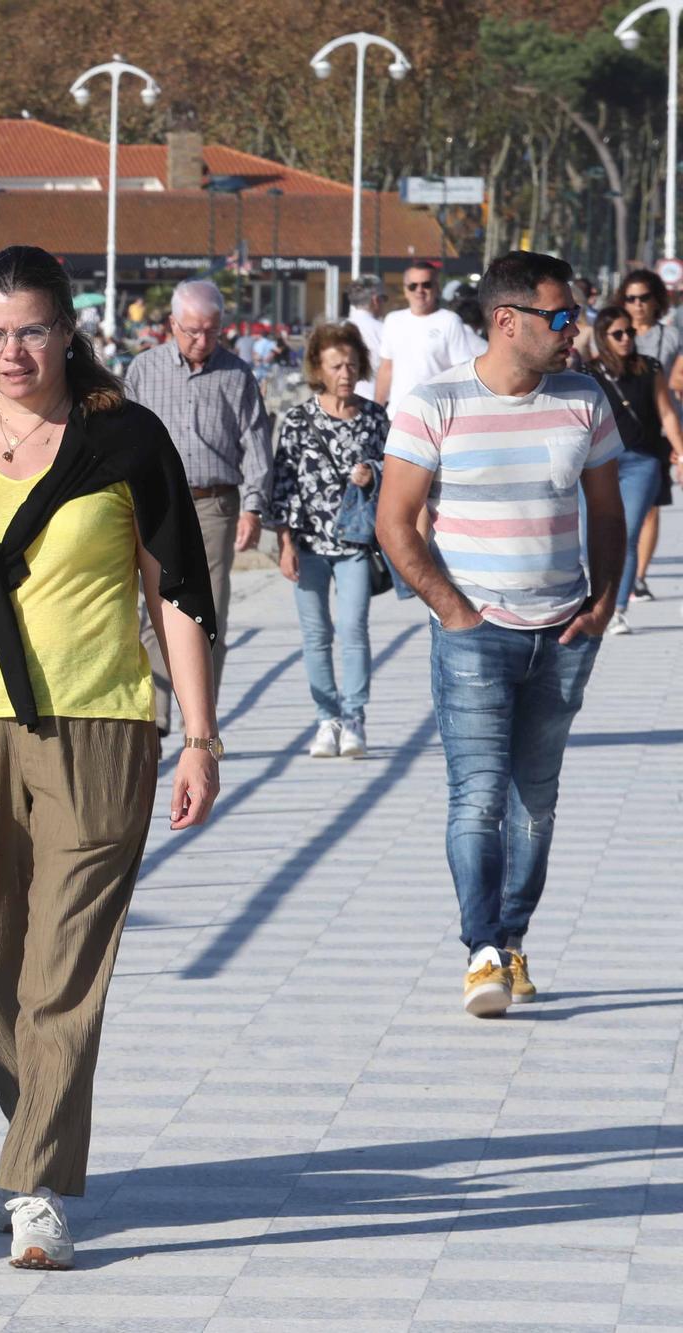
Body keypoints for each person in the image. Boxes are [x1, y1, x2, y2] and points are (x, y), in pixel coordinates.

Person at [0, 245, 221, 1271]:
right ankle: (39, 1134)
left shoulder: (125, 440)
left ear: (65, 329)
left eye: (28, 330)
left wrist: (198, 734)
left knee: (62, 973)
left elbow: (174, 594)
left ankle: (36, 1186)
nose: (10, 352)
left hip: (101, 728)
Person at [376, 250, 624, 1019]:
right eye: (560, 316)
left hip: (563, 632)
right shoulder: (432, 404)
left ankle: (511, 940)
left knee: (536, 803)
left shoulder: (585, 399)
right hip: (474, 632)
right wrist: (453, 609)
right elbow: (394, 522)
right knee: (477, 796)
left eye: (575, 314)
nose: (573, 328)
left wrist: (601, 604)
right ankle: (481, 949)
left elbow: (609, 514)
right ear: (506, 320)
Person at [123, 279, 270, 731]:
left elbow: (257, 444)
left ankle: (199, 719)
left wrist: (253, 507)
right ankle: (158, 715)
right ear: (172, 325)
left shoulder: (237, 374)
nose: (201, 340)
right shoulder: (143, 371)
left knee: (210, 613)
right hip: (155, 503)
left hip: (215, 506)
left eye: (211, 331)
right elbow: (123, 440)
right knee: (154, 609)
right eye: (191, 330)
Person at [267, 324, 388, 758]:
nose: (346, 373)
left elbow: (396, 473)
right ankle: (326, 718)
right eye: (336, 365)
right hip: (308, 544)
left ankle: (354, 716)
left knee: (354, 629)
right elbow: (282, 486)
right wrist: (284, 543)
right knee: (316, 635)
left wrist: (373, 470)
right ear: (318, 367)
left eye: (352, 364)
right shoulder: (298, 421)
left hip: (356, 545)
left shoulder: (375, 417)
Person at [585, 304, 683, 635]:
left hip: (642, 460)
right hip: (599, 463)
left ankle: (617, 608)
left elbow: (667, 413)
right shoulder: (588, 374)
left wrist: (681, 455)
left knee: (626, 533)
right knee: (591, 535)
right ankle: (594, 600)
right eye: (618, 334)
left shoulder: (649, 368)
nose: (626, 339)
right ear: (603, 337)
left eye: (630, 332)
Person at [614, 269, 683, 602]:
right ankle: (619, 569)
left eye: (644, 298)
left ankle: (638, 576)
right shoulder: (612, 335)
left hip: (660, 429)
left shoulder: (670, 337)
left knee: (651, 507)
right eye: (631, 298)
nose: (638, 305)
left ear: (657, 300)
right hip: (619, 431)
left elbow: (678, 386)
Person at [375, 261, 476, 406]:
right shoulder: (392, 320)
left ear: (436, 288)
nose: (419, 290)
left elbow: (461, 371)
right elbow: (386, 368)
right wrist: (377, 408)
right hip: (398, 413)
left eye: (426, 284)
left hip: (436, 412)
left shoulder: (450, 321)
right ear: (405, 290)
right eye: (413, 286)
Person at [344, 278, 387, 400]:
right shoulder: (384, 330)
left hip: (344, 400)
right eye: (384, 298)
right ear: (375, 300)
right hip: (375, 400)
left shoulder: (339, 328)